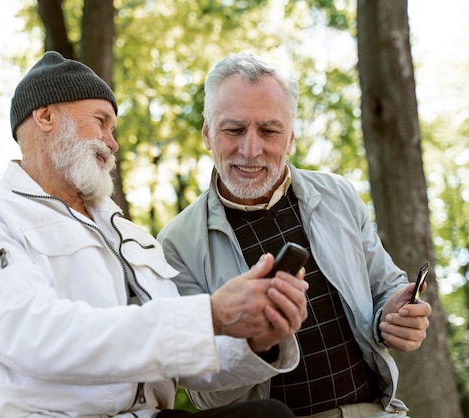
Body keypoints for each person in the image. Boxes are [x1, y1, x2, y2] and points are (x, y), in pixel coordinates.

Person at [0, 51, 309, 417]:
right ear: (46, 115)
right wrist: (211, 312)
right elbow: (30, 334)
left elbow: (180, 355)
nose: (112, 143)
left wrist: (255, 338)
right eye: (100, 121)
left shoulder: (133, 237)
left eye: (112, 129)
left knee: (267, 414)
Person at [157, 52, 432, 418]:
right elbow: (204, 395)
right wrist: (259, 344)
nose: (250, 150)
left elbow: (385, 287)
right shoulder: (175, 245)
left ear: (290, 139)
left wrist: (393, 317)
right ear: (208, 134)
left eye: (269, 131)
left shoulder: (338, 195)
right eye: (233, 129)